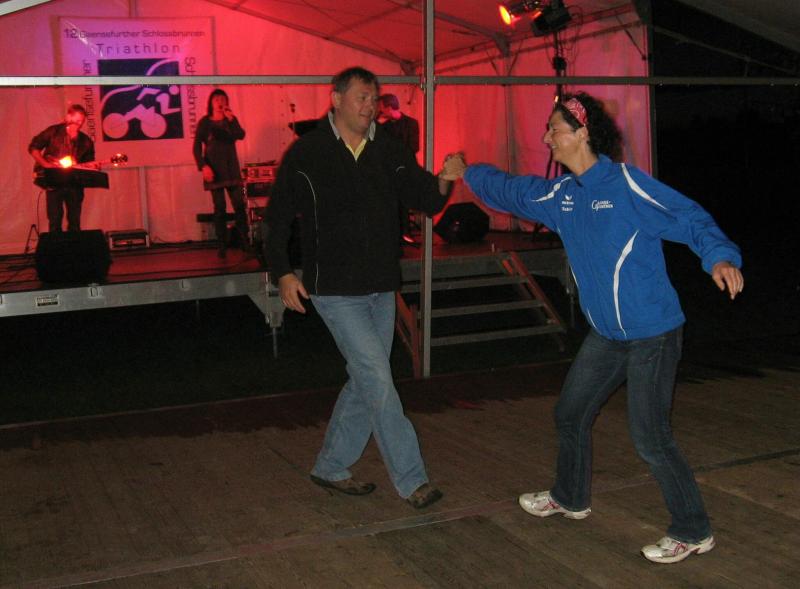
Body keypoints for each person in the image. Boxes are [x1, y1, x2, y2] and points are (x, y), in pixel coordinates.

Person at [441, 92, 744, 563]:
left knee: (650, 437)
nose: (547, 138)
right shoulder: (562, 195)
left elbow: (687, 216)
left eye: (554, 129)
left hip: (652, 333)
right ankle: (569, 497)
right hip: (607, 336)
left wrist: (720, 256)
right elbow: (513, 190)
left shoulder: (626, 185)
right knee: (570, 413)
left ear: (582, 134)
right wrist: (469, 172)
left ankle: (693, 529)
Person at [264, 67, 453, 509]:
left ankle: (331, 466)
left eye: (373, 98)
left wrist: (446, 177)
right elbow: (276, 218)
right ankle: (412, 480)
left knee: (366, 378)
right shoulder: (307, 152)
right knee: (378, 379)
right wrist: (283, 273)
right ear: (336, 99)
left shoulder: (387, 147)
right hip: (334, 288)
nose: (370, 106)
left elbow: (426, 198)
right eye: (362, 97)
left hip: (380, 285)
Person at [193, 89, 249, 258]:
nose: (220, 102)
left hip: (231, 169)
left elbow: (240, 135)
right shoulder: (205, 123)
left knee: (239, 205)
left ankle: (245, 241)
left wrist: (231, 119)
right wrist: (203, 166)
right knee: (219, 208)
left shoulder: (230, 120)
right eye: (217, 99)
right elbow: (196, 147)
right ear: (211, 102)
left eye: (223, 99)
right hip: (214, 170)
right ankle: (222, 245)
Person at [29, 104, 97, 233]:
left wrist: (91, 166)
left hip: (74, 183)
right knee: (55, 220)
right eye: (77, 120)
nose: (80, 124)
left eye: (82, 121)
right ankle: (56, 245)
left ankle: (75, 245)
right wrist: (45, 164)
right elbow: (33, 147)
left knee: (75, 221)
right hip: (54, 182)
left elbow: (89, 162)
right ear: (68, 117)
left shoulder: (85, 141)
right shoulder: (53, 132)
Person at [378, 93, 421, 242]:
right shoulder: (383, 127)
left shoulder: (411, 123)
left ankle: (405, 232)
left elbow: (414, 147)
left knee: (403, 200)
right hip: (389, 170)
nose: (380, 111)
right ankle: (393, 233)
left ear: (389, 107)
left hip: (406, 168)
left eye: (382, 108)